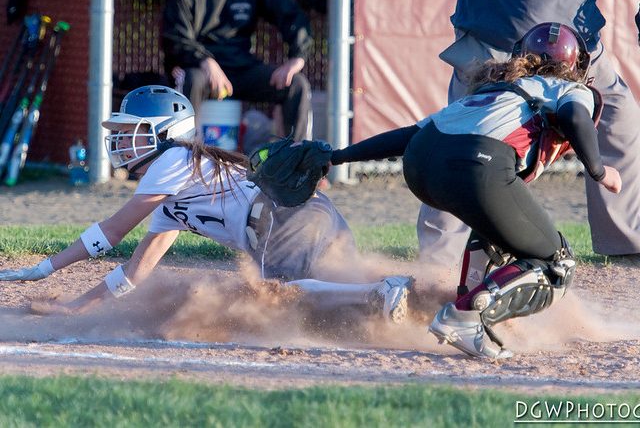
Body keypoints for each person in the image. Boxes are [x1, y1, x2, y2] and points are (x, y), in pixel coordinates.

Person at [0, 85, 412, 322]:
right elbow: (133, 273)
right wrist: (75, 307)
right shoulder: (168, 194)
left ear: (166, 132)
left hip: (283, 217)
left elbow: (113, 230)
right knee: (322, 313)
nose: (123, 143)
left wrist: (45, 268)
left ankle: (378, 292)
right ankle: (396, 299)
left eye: (133, 132)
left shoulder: (173, 159)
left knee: (278, 298)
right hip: (296, 215)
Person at [329, 38, 621, 358]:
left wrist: (338, 157)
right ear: (576, 67)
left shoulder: (494, 91)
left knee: (495, 234)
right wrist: (600, 172)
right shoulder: (567, 88)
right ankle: (465, 317)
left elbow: (409, 135)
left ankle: (463, 303)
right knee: (556, 264)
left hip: (421, 164)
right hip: (476, 164)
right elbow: (576, 118)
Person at [391, 0, 640, 260]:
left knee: (620, 119)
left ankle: (627, 244)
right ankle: (439, 261)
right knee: (460, 143)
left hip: (576, 51)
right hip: (497, 53)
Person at [162, 0, 313, 143]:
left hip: (242, 69)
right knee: (191, 79)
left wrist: (297, 58)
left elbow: (292, 16)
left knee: (296, 84)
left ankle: (296, 162)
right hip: (203, 72)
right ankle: (182, 158)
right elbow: (175, 38)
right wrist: (205, 61)